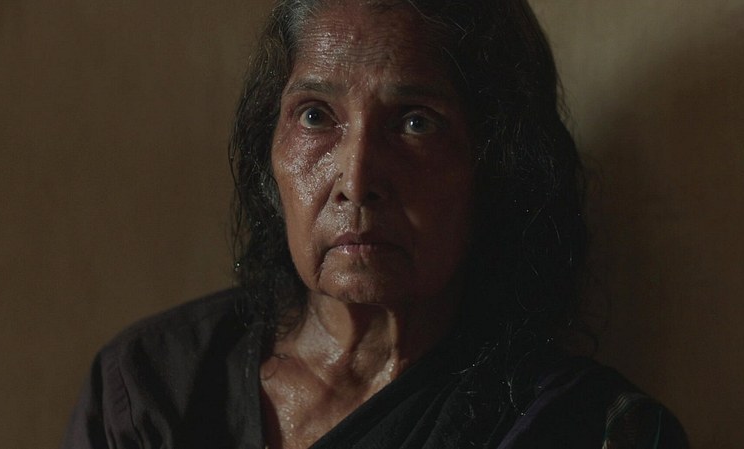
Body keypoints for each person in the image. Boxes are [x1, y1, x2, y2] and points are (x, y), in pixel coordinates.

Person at [62, 0, 689, 448]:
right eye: (315, 116)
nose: (357, 178)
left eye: (415, 122)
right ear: (268, 153)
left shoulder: (584, 428)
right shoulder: (155, 386)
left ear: (498, 166)